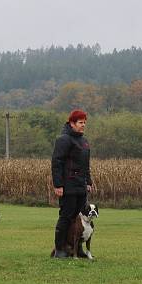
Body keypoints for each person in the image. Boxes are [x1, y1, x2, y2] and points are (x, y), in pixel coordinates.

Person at [51, 109, 93, 259]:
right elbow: (57, 163)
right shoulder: (64, 139)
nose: (83, 125)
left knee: (79, 218)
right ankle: (59, 249)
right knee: (66, 216)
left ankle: (77, 248)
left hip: (81, 186)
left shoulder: (84, 141)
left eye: (84, 123)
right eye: (80, 123)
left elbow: (85, 164)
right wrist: (58, 185)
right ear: (72, 123)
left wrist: (88, 181)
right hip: (67, 186)